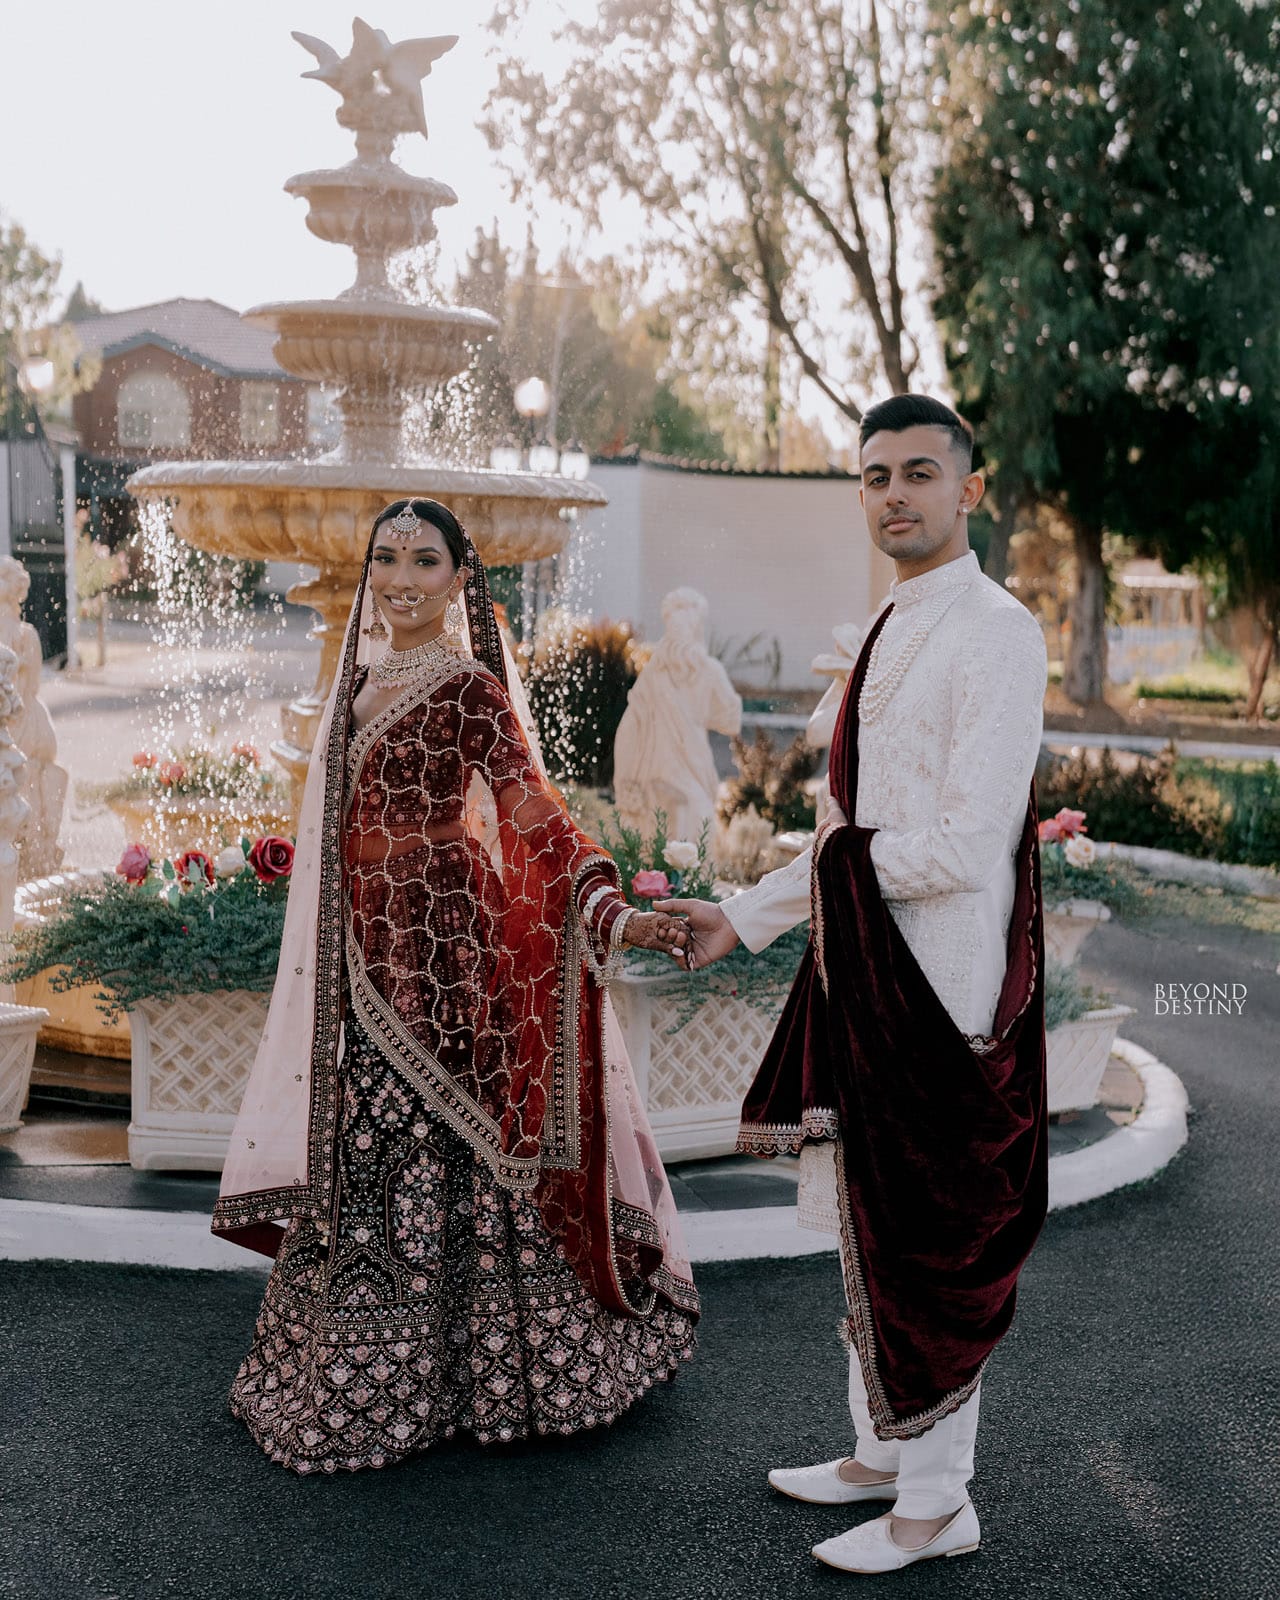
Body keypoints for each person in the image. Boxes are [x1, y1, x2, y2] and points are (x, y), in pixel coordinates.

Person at [214, 498, 699, 1475]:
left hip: (448, 946)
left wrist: (612, 911)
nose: (401, 578)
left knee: (453, 1138)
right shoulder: (357, 682)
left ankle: (506, 1372)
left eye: (424, 561)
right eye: (387, 558)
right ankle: (368, 1371)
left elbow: (534, 814)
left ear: (458, 578)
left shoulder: (471, 687)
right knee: (370, 1141)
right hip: (365, 953)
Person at [659, 395, 1049, 1574]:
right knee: (856, 1216)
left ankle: (936, 1506)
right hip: (861, 973)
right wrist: (739, 918)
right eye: (874, 476)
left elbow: (964, 844)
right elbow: (847, 832)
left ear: (966, 490)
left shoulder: (995, 629)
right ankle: (882, 1457)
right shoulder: (886, 623)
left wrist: (831, 876)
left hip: (940, 986)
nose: (893, 495)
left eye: (918, 473)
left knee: (923, 1239)